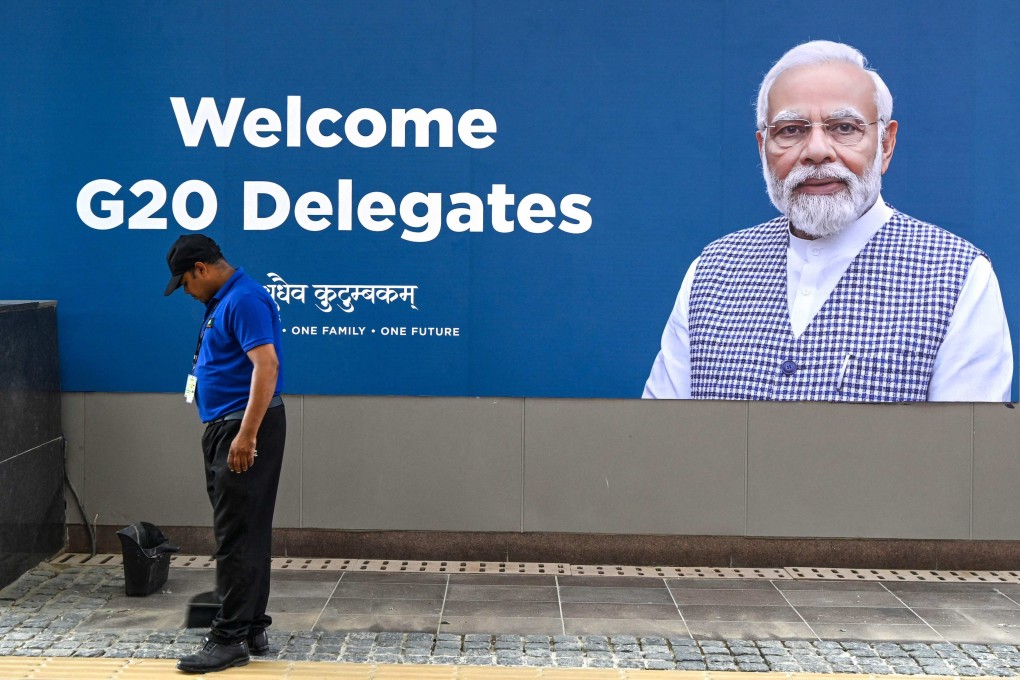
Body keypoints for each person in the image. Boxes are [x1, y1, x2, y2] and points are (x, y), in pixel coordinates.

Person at [643, 40, 1012, 402]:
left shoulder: (957, 276)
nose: (817, 151)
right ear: (762, 148)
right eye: (791, 130)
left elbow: (967, 456)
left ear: (885, 144)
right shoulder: (712, 271)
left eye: (844, 128)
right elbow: (658, 443)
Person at [164, 234, 286, 673]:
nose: (186, 292)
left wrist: (247, 435)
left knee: (236, 535)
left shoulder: (244, 299)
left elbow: (266, 366)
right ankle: (251, 624)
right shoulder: (226, 299)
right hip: (230, 425)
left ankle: (229, 639)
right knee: (246, 530)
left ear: (200, 268)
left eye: (184, 283)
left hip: (242, 427)